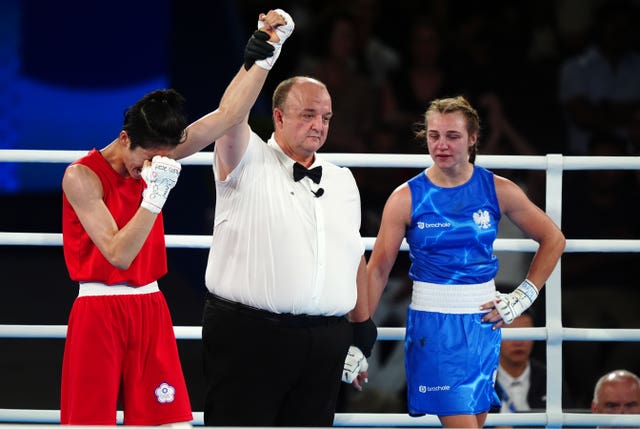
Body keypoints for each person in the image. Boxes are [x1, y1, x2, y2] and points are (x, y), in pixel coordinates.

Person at [60, 9, 290, 426]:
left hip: (150, 306)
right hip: (98, 313)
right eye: (145, 161)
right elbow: (117, 253)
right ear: (126, 138)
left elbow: (225, 116)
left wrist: (264, 54)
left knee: (169, 422)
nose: (149, 170)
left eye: (160, 162)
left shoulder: (156, 156)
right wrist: (155, 197)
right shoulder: (81, 177)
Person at [172, 71, 377, 424]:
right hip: (250, 336)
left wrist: (361, 331)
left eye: (325, 117)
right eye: (308, 115)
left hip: (325, 341)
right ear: (279, 117)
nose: (318, 125)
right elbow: (231, 112)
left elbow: (352, 255)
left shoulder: (343, 180)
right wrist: (260, 59)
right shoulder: (245, 157)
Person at [367, 95, 566, 428]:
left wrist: (523, 296)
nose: (441, 145)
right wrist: (359, 336)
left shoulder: (498, 189)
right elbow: (378, 270)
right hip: (435, 326)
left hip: (483, 324)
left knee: (475, 421)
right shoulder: (406, 197)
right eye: (434, 136)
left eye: (452, 136)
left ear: (473, 138)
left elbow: (553, 239)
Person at [495, 309, 574, 413]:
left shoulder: (549, 378)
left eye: (526, 333)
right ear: (495, 336)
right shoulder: (481, 379)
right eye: (512, 333)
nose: (518, 342)